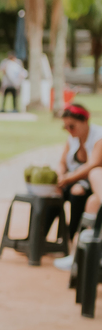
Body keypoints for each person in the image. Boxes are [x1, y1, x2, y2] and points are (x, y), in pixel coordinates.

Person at [51, 101, 102, 270]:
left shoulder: (98, 137)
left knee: (78, 191)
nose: (69, 131)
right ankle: (40, 240)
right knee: (53, 192)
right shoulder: (71, 139)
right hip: (73, 179)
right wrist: (61, 175)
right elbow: (61, 162)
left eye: (71, 126)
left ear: (84, 121)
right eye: (66, 127)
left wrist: (69, 178)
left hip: (86, 181)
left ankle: (75, 244)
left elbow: (93, 165)